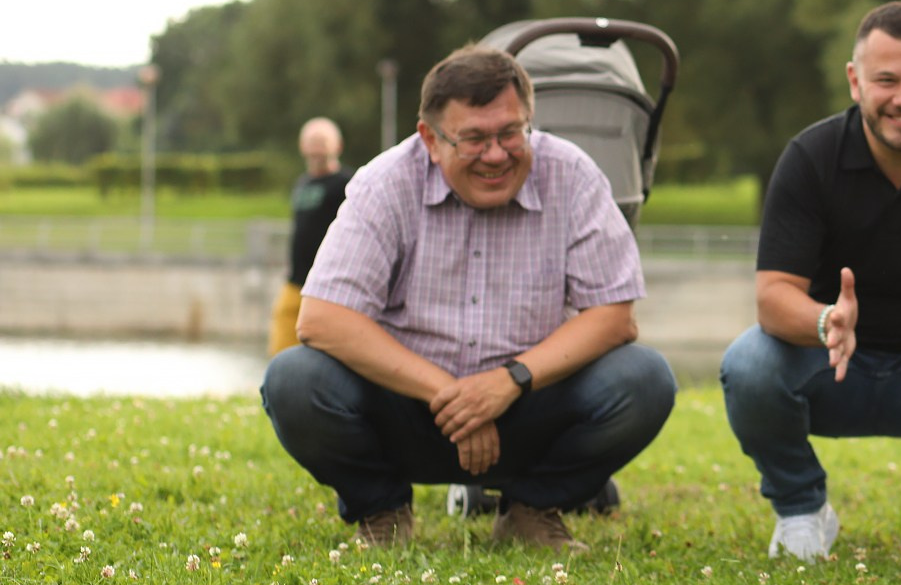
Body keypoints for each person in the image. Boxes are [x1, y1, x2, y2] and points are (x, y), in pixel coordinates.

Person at [260, 46, 675, 551]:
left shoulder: (575, 174)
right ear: (430, 140)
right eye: (474, 138)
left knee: (645, 379)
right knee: (293, 379)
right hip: (406, 408)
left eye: (510, 133)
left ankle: (531, 508)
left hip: (528, 406)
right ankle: (382, 510)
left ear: (530, 121)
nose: (496, 153)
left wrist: (509, 382)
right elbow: (321, 319)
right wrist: (449, 393)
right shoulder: (384, 182)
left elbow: (614, 318)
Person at [720, 2, 901, 562]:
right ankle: (802, 510)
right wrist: (826, 319)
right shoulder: (810, 157)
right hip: (832, 363)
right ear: (855, 81)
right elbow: (773, 298)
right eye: (886, 80)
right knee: (748, 363)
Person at [267, 118, 350, 356]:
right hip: (295, 282)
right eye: (312, 142)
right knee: (280, 348)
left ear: (338, 146)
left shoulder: (347, 184)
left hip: (327, 287)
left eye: (322, 142)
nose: (316, 149)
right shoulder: (302, 183)